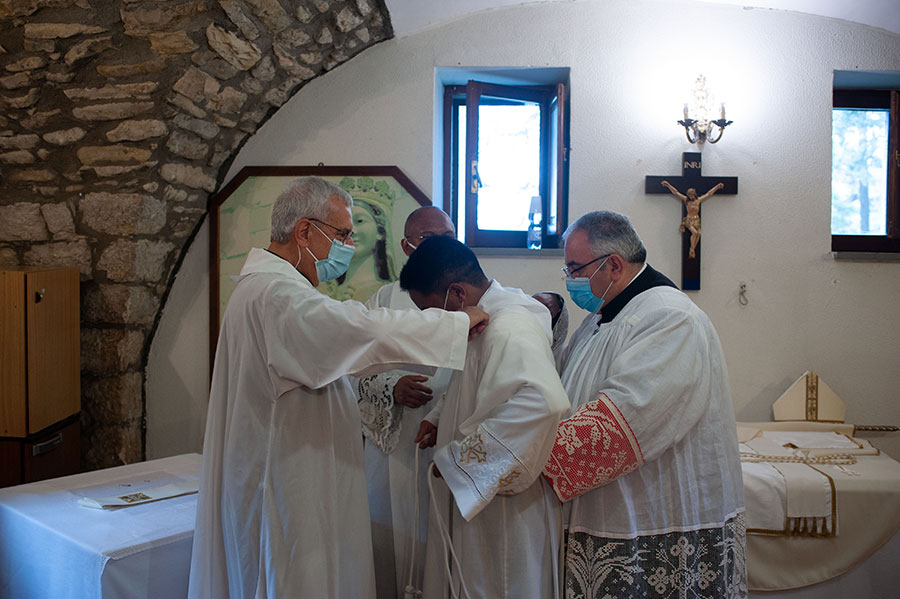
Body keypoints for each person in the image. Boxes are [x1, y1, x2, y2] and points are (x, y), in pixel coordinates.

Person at [188, 177, 489, 599]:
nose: (348, 244)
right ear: (305, 231)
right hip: (288, 485)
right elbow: (358, 330)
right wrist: (457, 323)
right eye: (342, 233)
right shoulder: (278, 295)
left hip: (291, 469)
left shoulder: (269, 289)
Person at [542, 210, 746, 598]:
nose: (570, 279)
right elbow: (564, 384)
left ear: (613, 264)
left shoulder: (669, 318)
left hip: (648, 517)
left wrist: (523, 457)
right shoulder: (600, 319)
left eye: (574, 268)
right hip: (606, 506)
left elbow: (623, 423)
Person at [400, 236, 570, 599]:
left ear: (458, 294)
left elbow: (543, 402)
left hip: (501, 513)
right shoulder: (488, 316)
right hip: (480, 502)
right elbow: (485, 384)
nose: (434, 323)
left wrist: (462, 462)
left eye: (434, 312)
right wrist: (441, 416)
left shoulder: (510, 327)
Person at [356, 205, 457, 599]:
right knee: (389, 546)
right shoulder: (383, 299)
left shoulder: (466, 292)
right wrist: (390, 385)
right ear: (406, 245)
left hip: (446, 437)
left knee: (440, 542)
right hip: (391, 444)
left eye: (449, 238)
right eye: (430, 241)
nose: (442, 248)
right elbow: (351, 369)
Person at [660, 180, 724, 258]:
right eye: (689, 195)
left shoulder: (698, 200)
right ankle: (692, 249)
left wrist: (717, 187)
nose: (690, 197)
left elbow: (709, 193)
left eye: (691, 195)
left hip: (696, 220)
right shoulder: (686, 200)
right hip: (688, 220)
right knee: (695, 233)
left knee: (699, 234)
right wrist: (668, 185)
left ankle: (692, 248)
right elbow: (676, 192)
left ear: (694, 194)